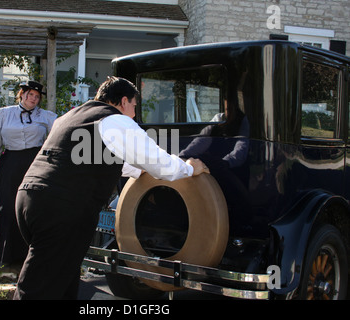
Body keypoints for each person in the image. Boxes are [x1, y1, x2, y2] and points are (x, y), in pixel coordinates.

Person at [13, 76, 208, 300]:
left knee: (62, 278)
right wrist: (190, 168)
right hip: (60, 208)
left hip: (29, 198)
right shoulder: (114, 120)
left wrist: (138, 170)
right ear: (124, 101)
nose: (134, 113)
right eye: (134, 106)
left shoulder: (72, 116)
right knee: (39, 287)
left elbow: (98, 156)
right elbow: (158, 162)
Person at [0, 80, 57, 267]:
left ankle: (30, 254)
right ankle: (7, 252)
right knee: (7, 205)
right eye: (30, 95)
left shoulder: (46, 116)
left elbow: (60, 132)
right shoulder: (4, 113)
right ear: (22, 94)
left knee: (31, 207)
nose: (33, 99)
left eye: (37, 97)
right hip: (10, 164)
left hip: (34, 164)